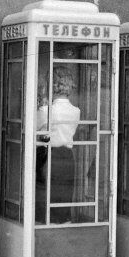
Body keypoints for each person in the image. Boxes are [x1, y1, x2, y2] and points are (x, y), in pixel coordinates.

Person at [35, 67, 81, 222]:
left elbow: (33, 130)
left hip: (49, 156)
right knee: (64, 199)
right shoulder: (76, 111)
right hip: (68, 157)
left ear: (51, 85)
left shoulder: (46, 110)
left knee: (45, 197)